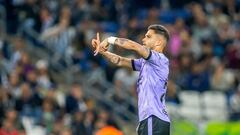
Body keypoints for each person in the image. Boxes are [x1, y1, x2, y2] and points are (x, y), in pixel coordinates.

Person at [91, 24, 170, 135]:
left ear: (158, 42)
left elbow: (134, 46)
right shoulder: (147, 63)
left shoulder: (159, 59)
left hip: (153, 118)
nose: (143, 39)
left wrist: (110, 39)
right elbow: (120, 61)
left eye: (148, 36)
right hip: (150, 119)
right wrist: (103, 51)